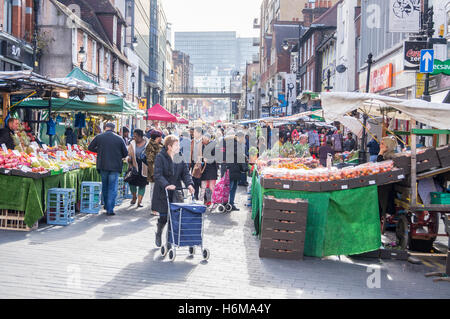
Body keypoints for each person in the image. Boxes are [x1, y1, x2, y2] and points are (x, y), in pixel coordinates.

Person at [152, 135, 195, 247]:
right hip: (163, 190)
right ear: (169, 146)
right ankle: (159, 231)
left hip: (176, 190)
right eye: (176, 145)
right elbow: (157, 174)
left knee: (174, 217)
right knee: (164, 217)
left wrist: (189, 184)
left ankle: (169, 241)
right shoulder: (160, 157)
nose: (178, 147)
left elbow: (185, 173)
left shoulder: (179, 156)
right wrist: (166, 184)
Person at [88, 122, 128, 216]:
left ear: (105, 128)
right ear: (113, 128)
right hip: (115, 166)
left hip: (103, 165)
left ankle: (106, 205)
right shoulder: (119, 138)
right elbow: (125, 153)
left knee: (105, 186)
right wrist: (118, 155)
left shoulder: (99, 137)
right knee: (112, 187)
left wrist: (100, 150)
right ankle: (110, 209)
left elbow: (90, 147)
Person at [127, 129, 149, 208]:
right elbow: (128, 153)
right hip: (133, 165)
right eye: (134, 136)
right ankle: (134, 196)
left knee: (142, 184)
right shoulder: (132, 144)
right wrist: (128, 158)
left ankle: (140, 201)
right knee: (131, 183)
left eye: (135, 136)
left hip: (144, 167)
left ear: (140, 136)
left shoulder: (148, 144)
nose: (134, 138)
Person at [145, 130, 163, 215]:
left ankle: (155, 207)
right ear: (157, 137)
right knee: (154, 190)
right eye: (160, 137)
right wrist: (153, 173)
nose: (161, 138)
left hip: (158, 171)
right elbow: (150, 161)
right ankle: (154, 208)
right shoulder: (151, 146)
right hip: (154, 171)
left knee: (157, 190)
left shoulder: (159, 145)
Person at [199, 133, 218, 206]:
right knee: (204, 186)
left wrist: (208, 159)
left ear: (207, 139)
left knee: (211, 187)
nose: (202, 141)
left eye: (203, 139)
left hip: (211, 170)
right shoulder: (205, 145)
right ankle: (202, 201)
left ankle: (215, 201)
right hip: (206, 170)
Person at [190, 127, 203, 200]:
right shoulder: (192, 141)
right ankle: (195, 196)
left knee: (200, 181)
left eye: (194, 132)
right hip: (193, 163)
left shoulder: (203, 141)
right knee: (194, 180)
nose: (193, 133)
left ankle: (204, 197)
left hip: (201, 164)